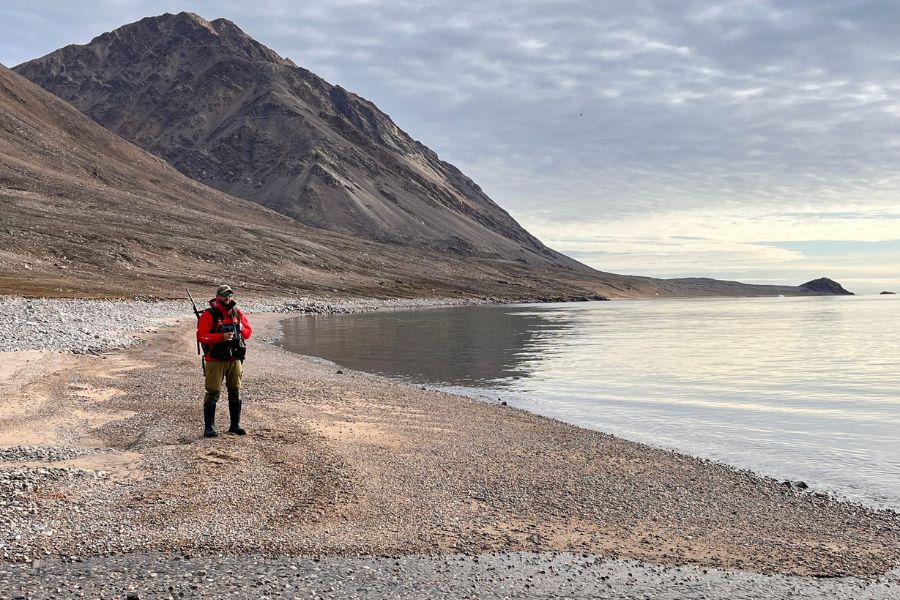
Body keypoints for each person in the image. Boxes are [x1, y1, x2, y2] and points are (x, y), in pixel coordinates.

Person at [196, 284, 252, 437]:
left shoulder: (237, 313)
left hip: (234, 358)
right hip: (215, 359)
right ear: (218, 296)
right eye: (224, 295)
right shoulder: (209, 315)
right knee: (213, 392)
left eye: (230, 295)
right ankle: (209, 428)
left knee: (235, 390)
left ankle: (235, 425)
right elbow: (201, 336)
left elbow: (248, 333)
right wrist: (221, 337)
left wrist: (240, 328)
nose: (228, 298)